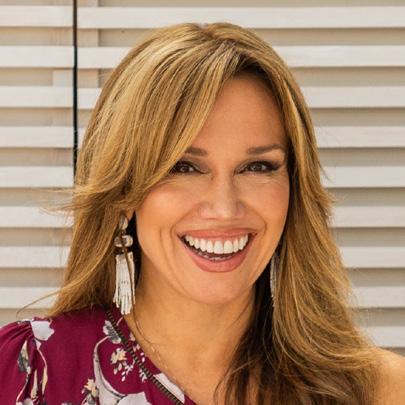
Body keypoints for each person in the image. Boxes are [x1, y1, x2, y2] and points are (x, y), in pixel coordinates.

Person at [0, 22, 404, 405]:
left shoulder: (380, 391)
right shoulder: (31, 376)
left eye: (257, 167)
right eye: (184, 167)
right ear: (124, 192)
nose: (224, 208)